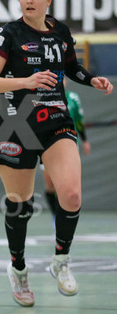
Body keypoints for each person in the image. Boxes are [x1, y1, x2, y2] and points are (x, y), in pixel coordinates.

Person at [0, 0, 113, 308]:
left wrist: (91, 79)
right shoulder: (7, 34)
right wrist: (25, 82)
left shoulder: (60, 31)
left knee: (71, 194)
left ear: (48, 0)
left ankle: (61, 261)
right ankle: (18, 269)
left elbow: (71, 68)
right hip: (16, 126)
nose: (29, 0)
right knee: (20, 204)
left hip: (56, 120)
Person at [42, 78, 91, 218]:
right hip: (46, 145)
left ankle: (63, 218)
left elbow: (79, 120)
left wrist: (85, 140)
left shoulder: (73, 98)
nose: (60, 81)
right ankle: (55, 215)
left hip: (69, 143)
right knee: (50, 184)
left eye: (62, 78)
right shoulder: (42, 96)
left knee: (66, 185)